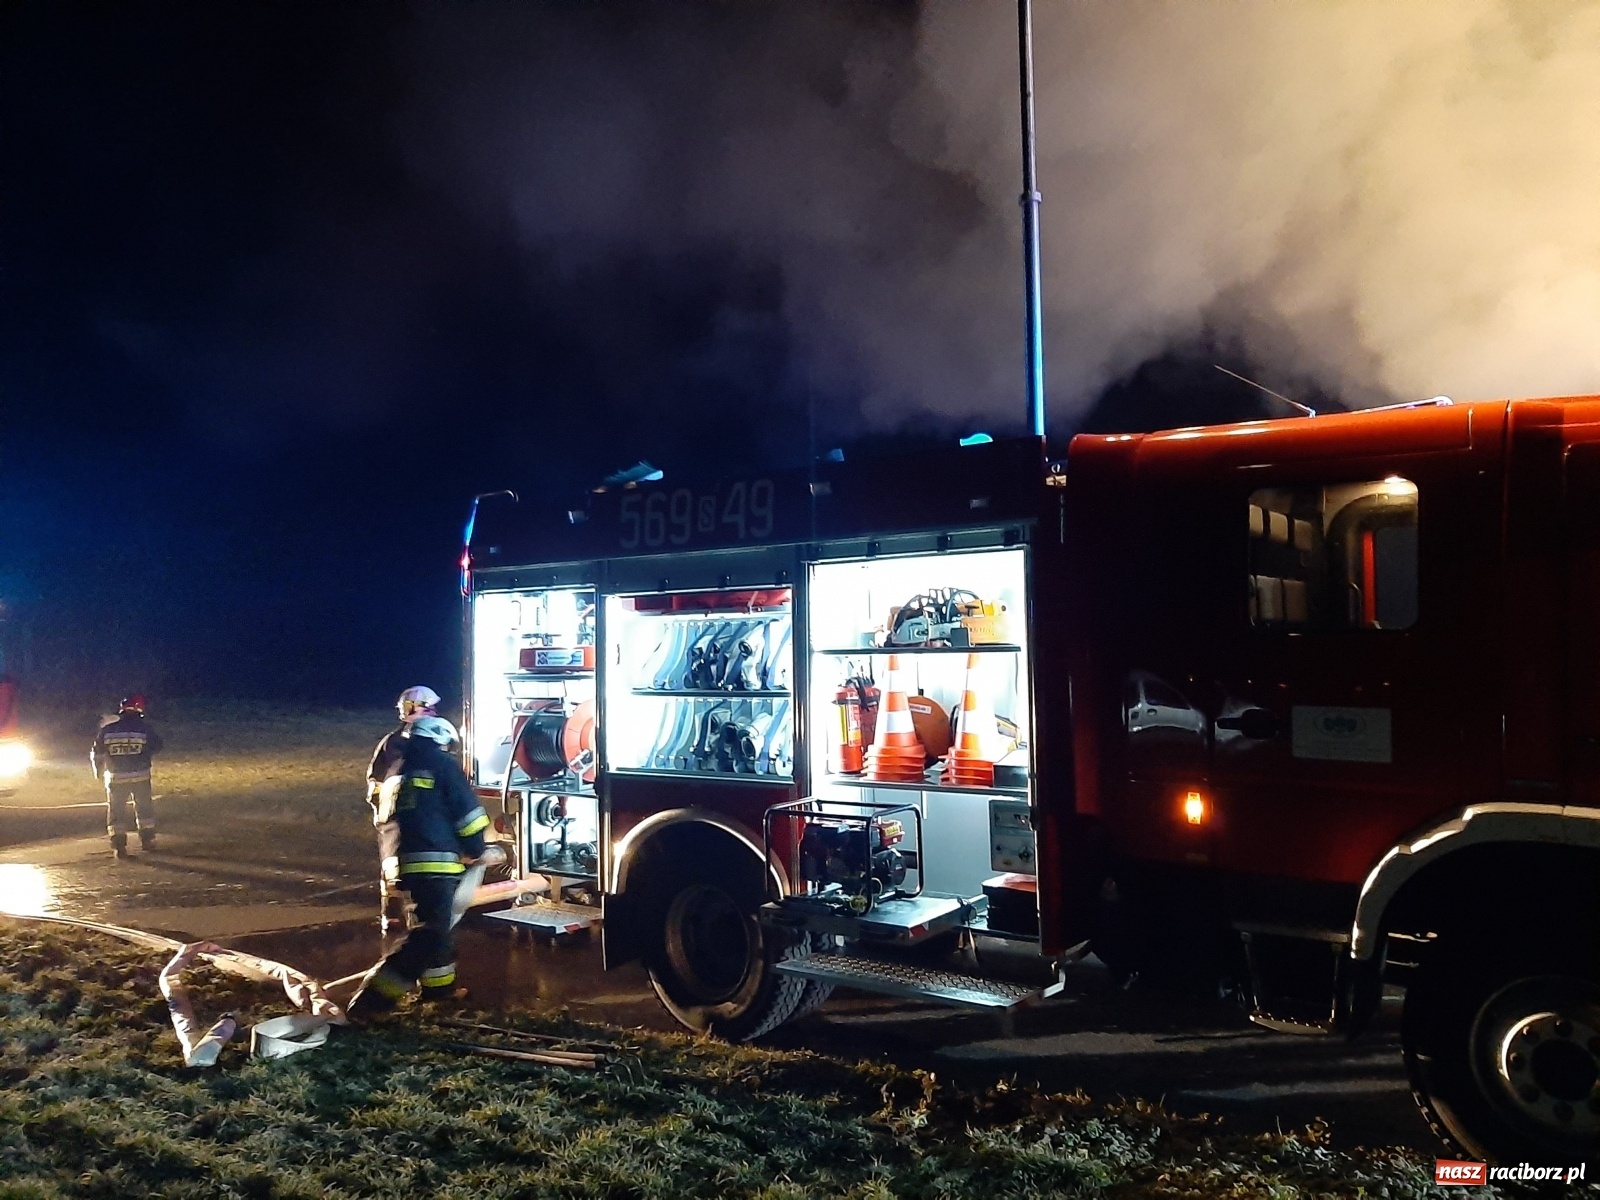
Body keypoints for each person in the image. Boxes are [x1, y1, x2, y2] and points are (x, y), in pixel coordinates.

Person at [347, 715, 488, 1019]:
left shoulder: (396, 771)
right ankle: (372, 999)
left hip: (402, 864)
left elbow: (388, 821)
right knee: (430, 935)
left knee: (437, 929)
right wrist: (478, 848)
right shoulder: (442, 765)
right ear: (441, 741)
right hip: (434, 863)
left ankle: (439, 992)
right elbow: (468, 814)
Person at [367, 685, 440, 931]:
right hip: (403, 823)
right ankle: (400, 923)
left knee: (396, 870)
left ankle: (398, 922)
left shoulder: (394, 741)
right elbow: (376, 784)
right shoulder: (402, 742)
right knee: (397, 872)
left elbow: (375, 784)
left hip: (397, 823)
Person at [91, 694, 164, 859]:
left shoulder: (107, 730)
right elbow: (157, 745)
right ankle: (147, 841)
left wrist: (99, 772)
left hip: (116, 778)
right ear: (139, 710)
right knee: (144, 809)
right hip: (141, 777)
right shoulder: (145, 729)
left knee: (116, 812)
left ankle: (119, 847)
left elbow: (97, 754)